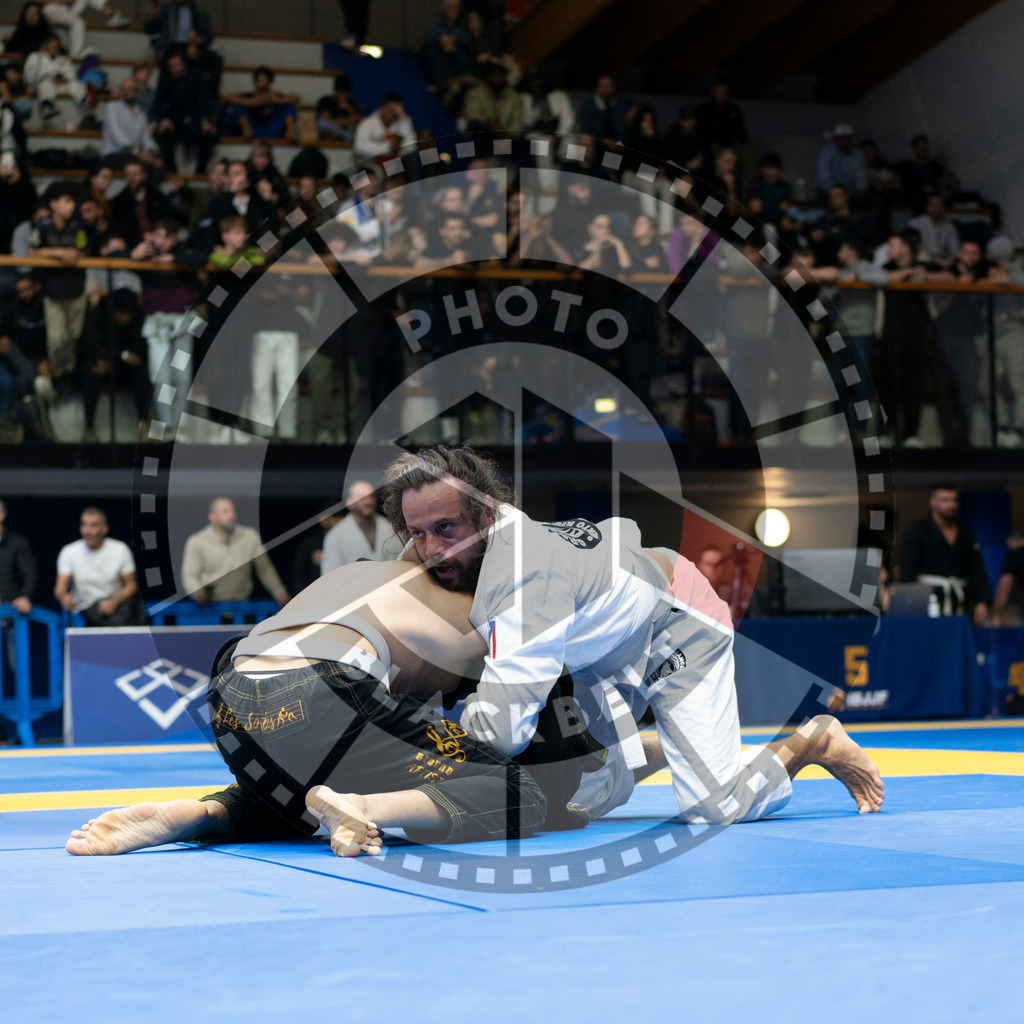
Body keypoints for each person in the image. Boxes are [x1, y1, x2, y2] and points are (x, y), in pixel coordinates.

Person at [380, 446, 885, 825]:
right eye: (417, 533)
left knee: (713, 806)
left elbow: (502, 733)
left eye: (446, 529)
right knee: (581, 801)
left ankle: (811, 741)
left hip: (677, 623)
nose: (432, 551)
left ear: (486, 513)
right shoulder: (487, 529)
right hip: (602, 647)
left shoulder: (523, 584)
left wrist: (424, 739)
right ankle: (669, 747)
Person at [67, 557, 548, 856]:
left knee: (294, 799)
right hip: (323, 688)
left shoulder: (353, 573)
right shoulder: (471, 612)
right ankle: (362, 807)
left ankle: (203, 814)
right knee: (517, 791)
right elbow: (508, 711)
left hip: (231, 688)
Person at [898, 485, 990, 623]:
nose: (950, 505)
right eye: (945, 500)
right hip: (927, 598)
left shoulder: (965, 533)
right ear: (933, 502)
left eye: (954, 500)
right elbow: (907, 570)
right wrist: (909, 602)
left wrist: (982, 600)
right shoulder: (917, 531)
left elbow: (977, 569)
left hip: (958, 598)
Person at [28, 181, 90, 385]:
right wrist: (59, 252)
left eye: (73, 202)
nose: (71, 206)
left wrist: (53, 252)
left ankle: (68, 375)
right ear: (53, 204)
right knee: (56, 340)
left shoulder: (78, 225)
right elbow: (31, 252)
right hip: (53, 293)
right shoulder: (43, 227)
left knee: (74, 338)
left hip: (76, 291)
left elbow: (81, 251)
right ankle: (56, 375)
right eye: (66, 201)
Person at [180, 496, 289, 606]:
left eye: (233, 511)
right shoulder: (197, 541)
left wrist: (280, 593)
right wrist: (198, 593)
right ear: (212, 516)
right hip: (210, 607)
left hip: (241, 605)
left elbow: (264, 569)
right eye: (225, 512)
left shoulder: (249, 536)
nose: (231, 515)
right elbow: (190, 575)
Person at [78, 287, 150, 442]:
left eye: (128, 315)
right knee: (91, 371)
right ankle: (89, 428)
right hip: (104, 364)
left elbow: (140, 343)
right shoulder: (99, 313)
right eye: (121, 314)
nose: (125, 319)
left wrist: (130, 355)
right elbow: (90, 345)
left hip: (124, 367)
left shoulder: (137, 316)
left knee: (142, 372)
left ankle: (143, 425)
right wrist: (108, 358)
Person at [54, 506, 143, 626]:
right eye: (84, 525)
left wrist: (114, 602)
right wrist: (63, 597)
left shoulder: (120, 549)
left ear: (104, 528)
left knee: (133, 611)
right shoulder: (69, 551)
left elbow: (131, 585)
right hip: (86, 611)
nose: (87, 531)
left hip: (118, 608)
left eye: (93, 525)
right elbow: (60, 588)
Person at [150, 45, 218, 174]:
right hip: (174, 120)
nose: (176, 69)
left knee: (208, 134)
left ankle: (200, 172)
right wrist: (164, 120)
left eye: (178, 65)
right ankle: (171, 171)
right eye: (172, 66)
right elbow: (160, 101)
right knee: (165, 134)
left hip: (195, 119)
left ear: (184, 64)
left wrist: (205, 120)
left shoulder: (196, 74)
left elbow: (205, 99)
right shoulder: (165, 76)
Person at [320, 480, 398, 574]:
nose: (368, 502)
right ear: (349, 503)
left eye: (371, 497)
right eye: (362, 498)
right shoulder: (335, 536)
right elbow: (330, 576)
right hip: (353, 588)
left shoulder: (392, 529)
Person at [223, 66, 300, 143]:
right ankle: (246, 133)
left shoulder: (275, 96)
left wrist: (280, 100)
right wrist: (251, 102)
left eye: (265, 79)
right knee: (238, 106)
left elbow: (296, 98)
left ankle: (290, 135)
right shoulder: (248, 96)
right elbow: (226, 98)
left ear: (270, 82)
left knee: (289, 106)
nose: (262, 83)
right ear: (255, 81)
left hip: (272, 130)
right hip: (253, 129)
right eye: (260, 79)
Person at [23, 32, 86, 122]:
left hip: (61, 86)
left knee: (76, 85)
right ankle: (47, 107)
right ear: (45, 46)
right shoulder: (35, 57)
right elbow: (29, 77)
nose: (54, 49)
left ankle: (85, 104)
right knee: (45, 83)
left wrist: (63, 80)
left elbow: (71, 77)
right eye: (51, 46)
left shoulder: (64, 60)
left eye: (56, 47)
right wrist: (49, 78)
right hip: (42, 87)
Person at [100, 76, 160, 167]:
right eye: (123, 89)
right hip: (113, 154)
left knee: (159, 164)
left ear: (137, 92)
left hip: (135, 155)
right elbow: (118, 135)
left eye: (129, 89)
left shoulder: (141, 113)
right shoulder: (112, 108)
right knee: (139, 163)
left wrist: (150, 152)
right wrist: (138, 153)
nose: (126, 92)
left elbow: (146, 137)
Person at [42, 0, 129, 60]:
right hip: (52, 8)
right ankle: (75, 53)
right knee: (78, 23)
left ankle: (111, 16)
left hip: (67, 9)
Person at [352, 92, 415, 168]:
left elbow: (411, 148)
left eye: (395, 111)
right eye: (390, 110)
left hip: (392, 166)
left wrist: (402, 116)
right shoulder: (367, 123)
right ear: (382, 107)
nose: (392, 114)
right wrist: (387, 147)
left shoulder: (399, 125)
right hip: (369, 166)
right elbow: (359, 148)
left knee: (416, 160)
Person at [290, 510, 343, 594]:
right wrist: (305, 596)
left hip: (341, 592)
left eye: (341, 516)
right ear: (322, 519)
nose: (338, 520)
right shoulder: (311, 544)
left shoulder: (346, 542)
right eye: (334, 516)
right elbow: (298, 576)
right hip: (315, 596)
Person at [144, 0, 214, 59]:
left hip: (191, 48)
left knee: (214, 59)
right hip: (170, 47)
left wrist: (198, 39)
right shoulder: (165, 10)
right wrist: (151, 18)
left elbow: (208, 37)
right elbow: (150, 30)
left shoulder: (199, 12)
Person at [814, 124, 866, 202]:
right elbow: (824, 179)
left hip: (849, 192)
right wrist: (838, 192)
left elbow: (860, 176)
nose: (844, 141)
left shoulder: (856, 154)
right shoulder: (826, 153)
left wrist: (861, 190)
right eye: (841, 138)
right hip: (828, 191)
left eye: (847, 138)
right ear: (835, 139)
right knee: (833, 197)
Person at [315, 72, 362, 142]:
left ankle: (344, 135)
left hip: (346, 131)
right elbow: (324, 120)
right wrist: (349, 121)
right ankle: (346, 135)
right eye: (341, 92)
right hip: (332, 131)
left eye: (345, 93)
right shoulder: (326, 100)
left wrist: (349, 109)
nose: (343, 96)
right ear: (336, 91)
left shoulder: (351, 103)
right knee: (321, 123)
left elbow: (359, 121)